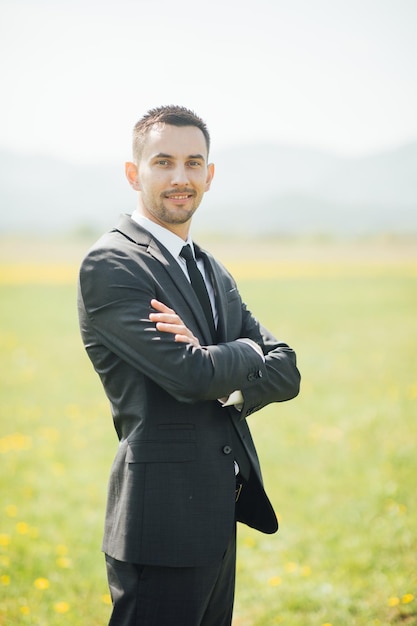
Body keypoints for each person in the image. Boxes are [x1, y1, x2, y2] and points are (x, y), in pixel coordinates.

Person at [77, 105, 300, 626]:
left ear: (209, 175)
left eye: (194, 163)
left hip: (218, 514)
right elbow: (188, 375)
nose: (181, 177)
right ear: (135, 173)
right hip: (159, 526)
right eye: (164, 162)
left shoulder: (209, 267)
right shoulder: (113, 265)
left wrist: (215, 365)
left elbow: (287, 369)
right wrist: (244, 354)